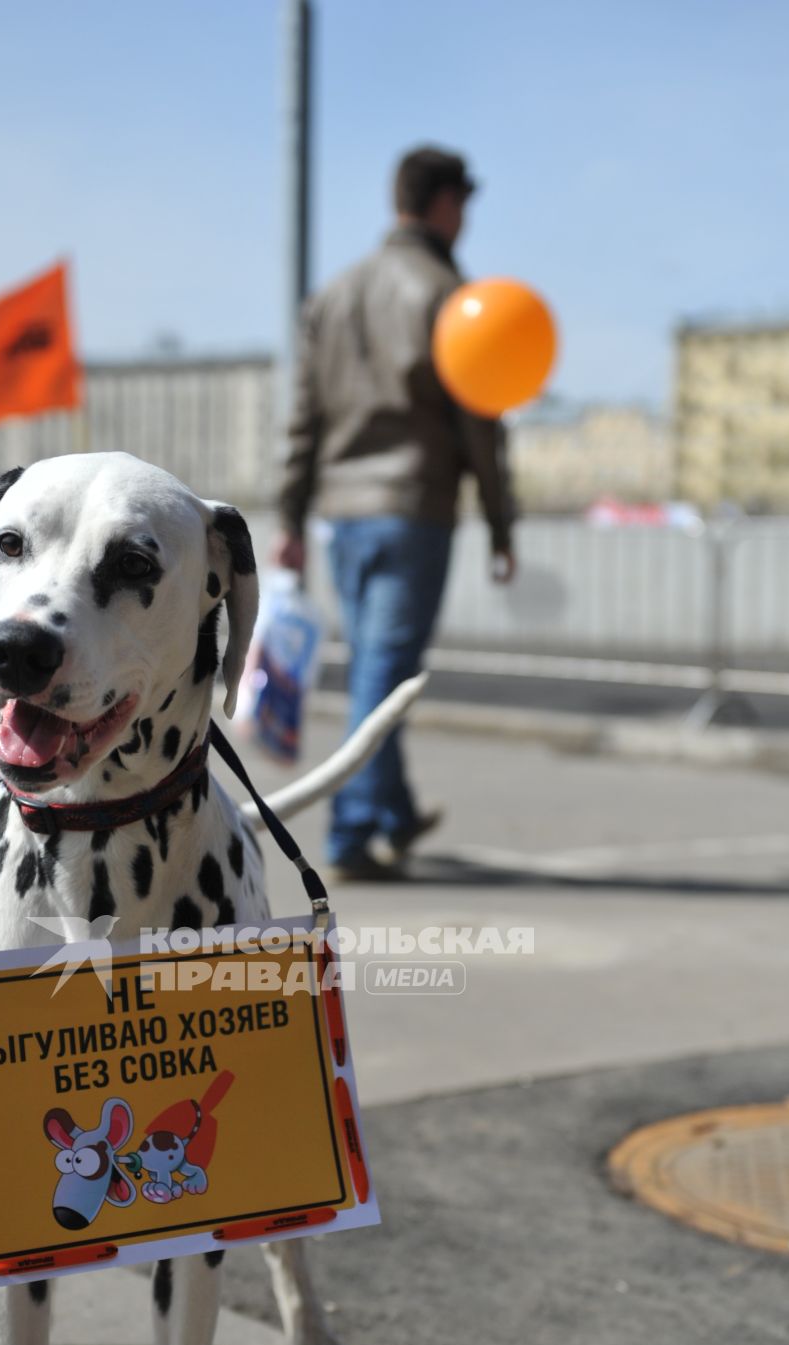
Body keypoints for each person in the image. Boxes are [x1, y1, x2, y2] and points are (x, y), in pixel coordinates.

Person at [275, 145, 517, 880]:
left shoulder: (335, 294)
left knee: (377, 669)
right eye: (464, 205)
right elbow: (479, 422)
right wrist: (503, 522)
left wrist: (289, 517)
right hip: (413, 508)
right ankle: (350, 834)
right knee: (385, 672)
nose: (466, 220)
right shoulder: (448, 293)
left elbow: (304, 420)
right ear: (443, 203)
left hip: (341, 513)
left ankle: (395, 810)